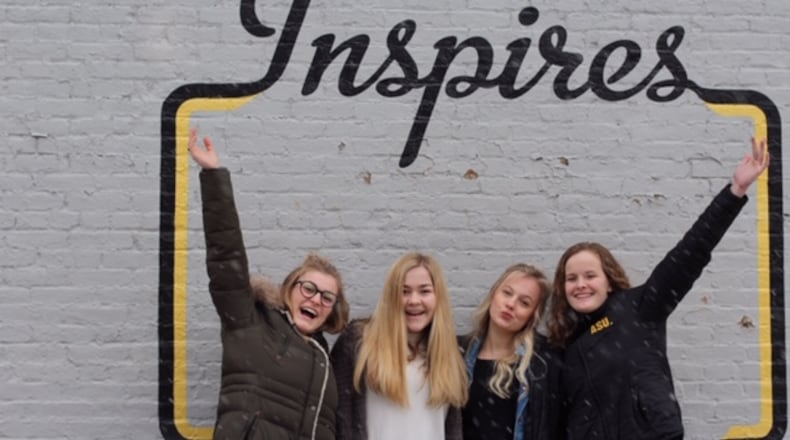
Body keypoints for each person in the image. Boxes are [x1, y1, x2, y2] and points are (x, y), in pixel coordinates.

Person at [546, 137, 770, 440]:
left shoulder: (639, 309)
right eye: (571, 279)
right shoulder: (564, 345)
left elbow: (689, 254)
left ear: (608, 280)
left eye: (590, 275)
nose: (581, 284)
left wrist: (735, 191)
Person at [188, 128, 350, 440]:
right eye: (309, 289)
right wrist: (213, 177)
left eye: (327, 297)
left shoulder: (323, 357)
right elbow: (226, 257)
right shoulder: (250, 321)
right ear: (290, 288)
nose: (316, 300)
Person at [330, 252, 468, 440]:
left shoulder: (451, 354)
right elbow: (338, 417)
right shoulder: (359, 343)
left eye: (424, 291)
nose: (413, 300)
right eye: (404, 291)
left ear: (438, 297)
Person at [459, 263, 563, 440]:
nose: (510, 304)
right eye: (507, 293)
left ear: (533, 315)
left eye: (524, 302)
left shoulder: (544, 363)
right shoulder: (458, 353)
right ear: (494, 294)